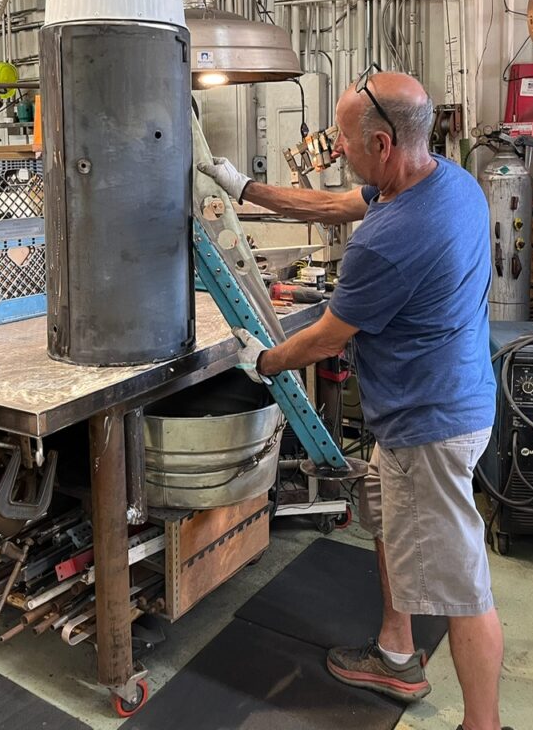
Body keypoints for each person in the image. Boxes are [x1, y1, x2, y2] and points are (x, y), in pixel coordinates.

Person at [197, 69, 511, 730]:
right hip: (430, 405)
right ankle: (396, 653)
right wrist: (243, 188)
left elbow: (326, 339)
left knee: (463, 587)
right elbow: (339, 204)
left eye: (344, 140)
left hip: (432, 423)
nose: (335, 150)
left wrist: (265, 359)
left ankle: (482, 725)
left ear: (383, 143)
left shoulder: (392, 241)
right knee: (390, 522)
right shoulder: (446, 182)